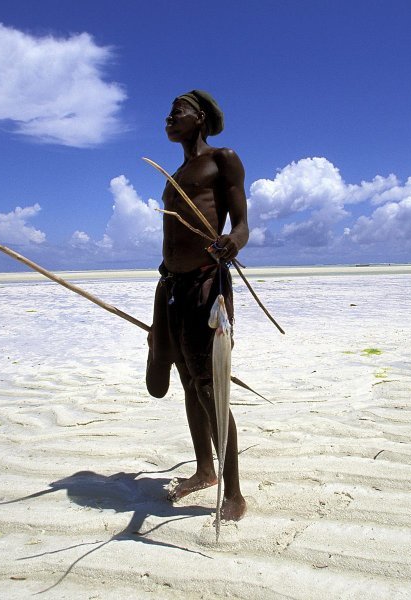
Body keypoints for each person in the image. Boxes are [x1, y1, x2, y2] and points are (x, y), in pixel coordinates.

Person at [146, 90, 249, 521]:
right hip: (173, 287)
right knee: (185, 381)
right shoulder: (175, 174)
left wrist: (232, 242)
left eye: (179, 112)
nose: (169, 118)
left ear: (200, 118)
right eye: (168, 112)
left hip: (208, 285)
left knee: (210, 385)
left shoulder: (222, 159)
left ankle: (234, 493)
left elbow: (242, 225)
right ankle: (204, 469)